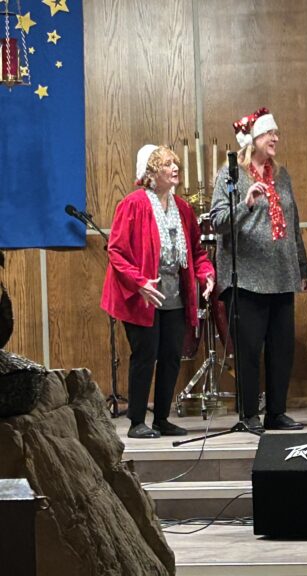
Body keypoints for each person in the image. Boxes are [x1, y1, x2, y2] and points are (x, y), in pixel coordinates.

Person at [101, 144, 215, 439]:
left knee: (171, 356)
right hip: (141, 296)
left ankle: (162, 419)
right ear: (151, 173)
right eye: (167, 164)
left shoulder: (184, 209)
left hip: (175, 296)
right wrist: (140, 282)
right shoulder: (133, 204)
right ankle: (137, 421)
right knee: (145, 355)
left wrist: (207, 275)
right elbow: (116, 251)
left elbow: (197, 252)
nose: (175, 168)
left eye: (175, 163)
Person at [210, 108, 307, 433]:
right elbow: (218, 222)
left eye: (276, 134)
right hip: (248, 280)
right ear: (253, 140)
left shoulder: (282, 176)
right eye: (270, 134)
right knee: (250, 350)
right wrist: (246, 204)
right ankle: (249, 414)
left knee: (281, 349)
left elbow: (293, 223)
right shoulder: (230, 174)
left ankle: (276, 413)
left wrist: (302, 267)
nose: (276, 139)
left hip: (282, 275)